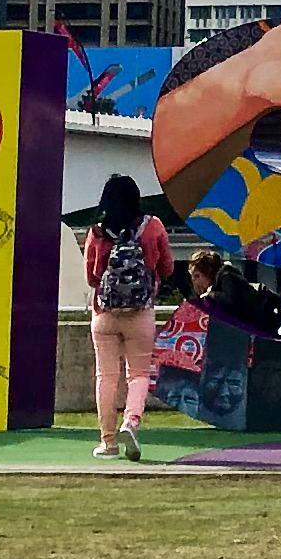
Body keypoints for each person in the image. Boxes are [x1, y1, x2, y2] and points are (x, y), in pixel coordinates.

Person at [81, 176, 171, 463]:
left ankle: (108, 443)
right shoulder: (152, 226)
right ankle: (130, 422)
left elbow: (92, 277)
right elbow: (167, 266)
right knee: (139, 374)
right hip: (140, 312)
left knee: (106, 377)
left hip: (104, 314)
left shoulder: (97, 232)